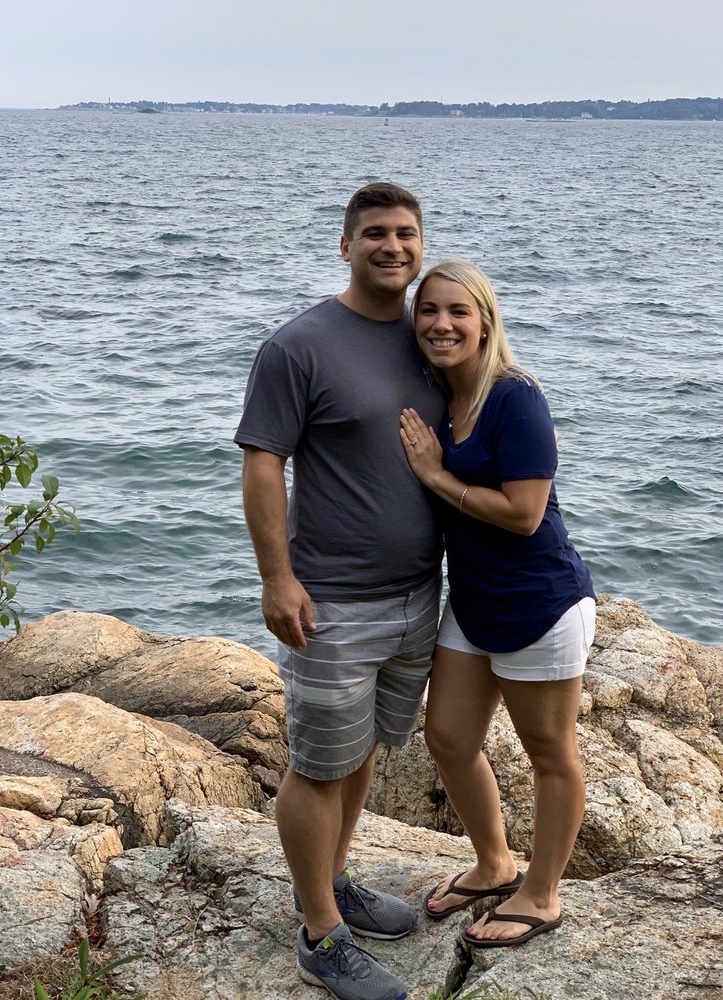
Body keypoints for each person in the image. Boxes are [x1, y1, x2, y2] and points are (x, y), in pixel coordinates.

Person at [234, 183, 444, 999]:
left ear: (420, 244)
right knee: (319, 766)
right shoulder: (298, 346)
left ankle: (331, 879)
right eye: (375, 233)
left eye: (406, 233)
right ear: (345, 245)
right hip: (332, 601)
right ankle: (320, 935)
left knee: (362, 754)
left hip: (418, 596)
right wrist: (276, 578)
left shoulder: (431, 335)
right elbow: (263, 463)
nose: (392, 246)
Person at [399, 258, 595, 949]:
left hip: (539, 603)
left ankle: (541, 895)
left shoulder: (515, 397)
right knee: (449, 738)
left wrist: (434, 476)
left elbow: (523, 513)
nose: (442, 324)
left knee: (550, 754)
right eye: (428, 310)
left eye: (458, 311)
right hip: (473, 599)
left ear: (484, 322)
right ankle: (493, 864)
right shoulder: (437, 395)